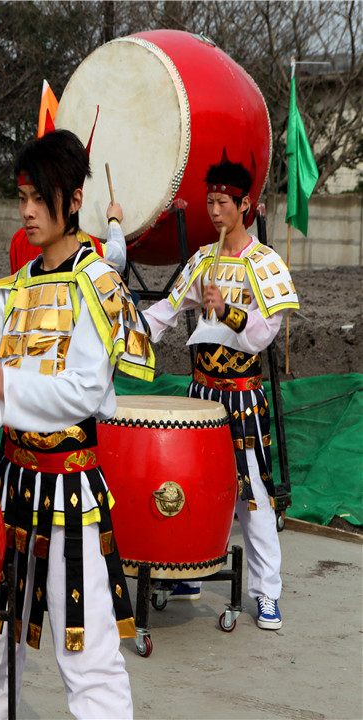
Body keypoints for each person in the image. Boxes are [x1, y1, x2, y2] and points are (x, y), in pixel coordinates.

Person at [0, 129, 154, 720]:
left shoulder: (98, 284)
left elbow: (86, 392)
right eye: (22, 195)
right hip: (12, 487)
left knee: (87, 652)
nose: (26, 210)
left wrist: (8, 387)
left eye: (40, 197)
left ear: (74, 200)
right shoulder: (14, 288)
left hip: (70, 489)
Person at [142, 156, 298, 630]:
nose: (214, 210)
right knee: (196, 487)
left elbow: (261, 335)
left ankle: (265, 592)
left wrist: (227, 309)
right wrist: (123, 327)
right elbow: (166, 312)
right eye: (210, 201)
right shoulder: (202, 261)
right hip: (201, 397)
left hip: (243, 396)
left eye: (222, 202)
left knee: (254, 498)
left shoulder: (264, 263)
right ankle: (191, 570)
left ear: (244, 205)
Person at [9, 200, 127, 274]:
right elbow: (118, 256)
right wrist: (113, 220)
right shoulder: (80, 241)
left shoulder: (19, 238)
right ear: (74, 202)